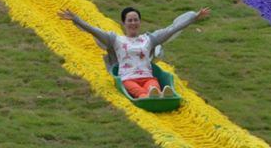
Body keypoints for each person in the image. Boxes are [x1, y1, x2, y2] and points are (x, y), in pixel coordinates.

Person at [57, 6, 211, 99]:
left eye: (136, 20)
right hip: (128, 78)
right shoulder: (116, 40)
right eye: (129, 20)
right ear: (123, 23)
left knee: (153, 87)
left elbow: (172, 30)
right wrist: (76, 19)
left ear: (140, 22)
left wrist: (194, 18)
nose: (133, 23)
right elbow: (95, 32)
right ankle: (154, 97)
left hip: (147, 77)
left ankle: (160, 94)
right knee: (141, 93)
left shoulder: (148, 39)